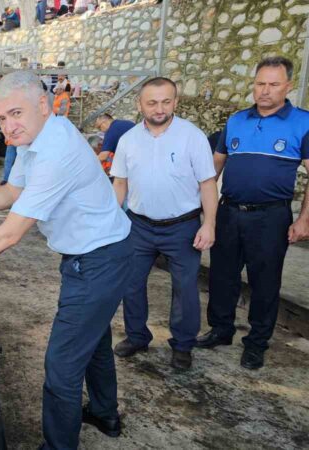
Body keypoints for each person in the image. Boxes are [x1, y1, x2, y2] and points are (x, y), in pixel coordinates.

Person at [0, 70, 131, 449]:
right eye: (2, 118)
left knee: (62, 367)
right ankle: (105, 413)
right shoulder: (33, 142)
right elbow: (10, 193)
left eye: (16, 113)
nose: (8, 126)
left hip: (100, 260)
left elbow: (10, 232)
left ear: (42, 104)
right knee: (94, 340)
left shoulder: (57, 151)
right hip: (93, 255)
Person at [197, 56, 309, 370]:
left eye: (274, 84)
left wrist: (304, 219)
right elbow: (214, 168)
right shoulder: (236, 121)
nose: (265, 90)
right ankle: (220, 329)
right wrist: (206, 213)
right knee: (222, 276)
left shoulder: (303, 122)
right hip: (229, 212)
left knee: (265, 282)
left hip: (270, 218)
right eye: (260, 83)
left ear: (289, 85)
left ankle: (257, 342)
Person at [110, 77, 218, 371]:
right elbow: (120, 182)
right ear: (140, 104)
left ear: (176, 102)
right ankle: (136, 336)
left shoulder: (192, 137)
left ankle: (183, 345)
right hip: (139, 226)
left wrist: (209, 225)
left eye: (166, 101)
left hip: (182, 227)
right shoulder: (128, 140)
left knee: (185, 287)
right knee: (131, 284)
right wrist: (111, 220)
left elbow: (208, 183)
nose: (159, 108)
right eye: (152, 102)